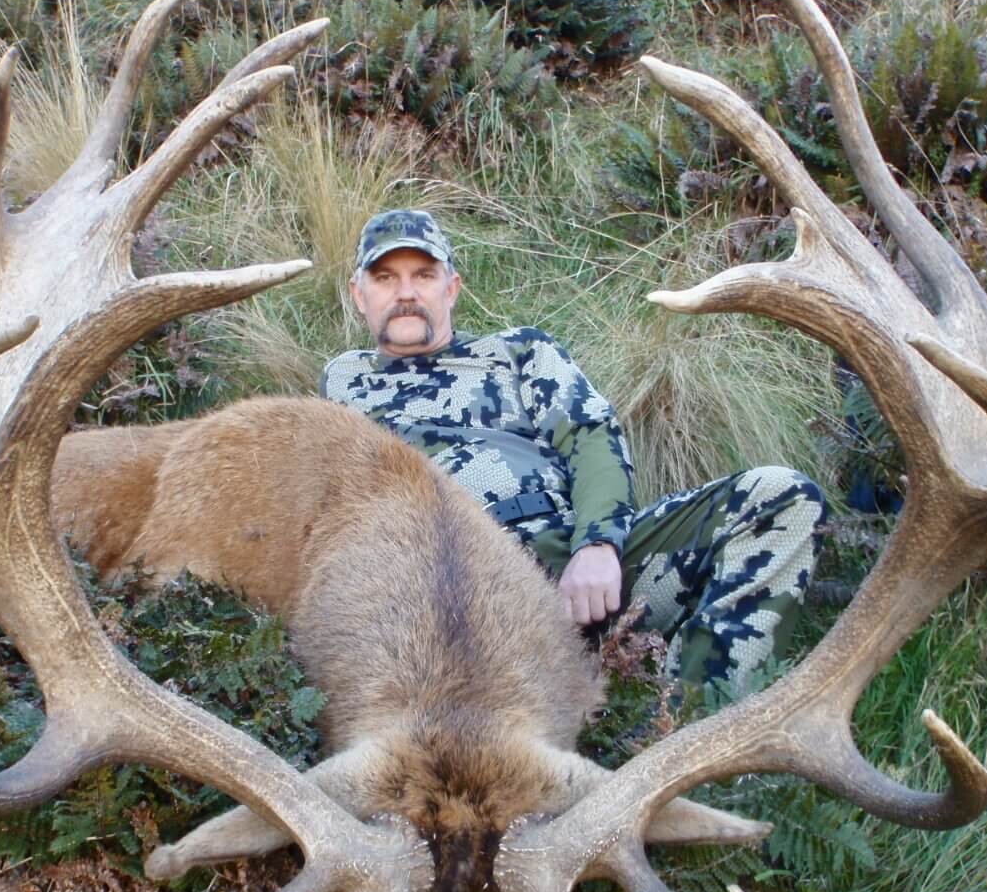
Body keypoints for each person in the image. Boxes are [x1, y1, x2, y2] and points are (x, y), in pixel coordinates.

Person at [319, 209, 826, 706]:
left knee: (780, 496)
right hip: (447, 597)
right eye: (385, 278)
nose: (406, 293)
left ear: (451, 288)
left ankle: (688, 727)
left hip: (575, 578)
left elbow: (590, 438)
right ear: (358, 295)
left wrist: (598, 544)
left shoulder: (519, 352)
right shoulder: (343, 382)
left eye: (423, 275)